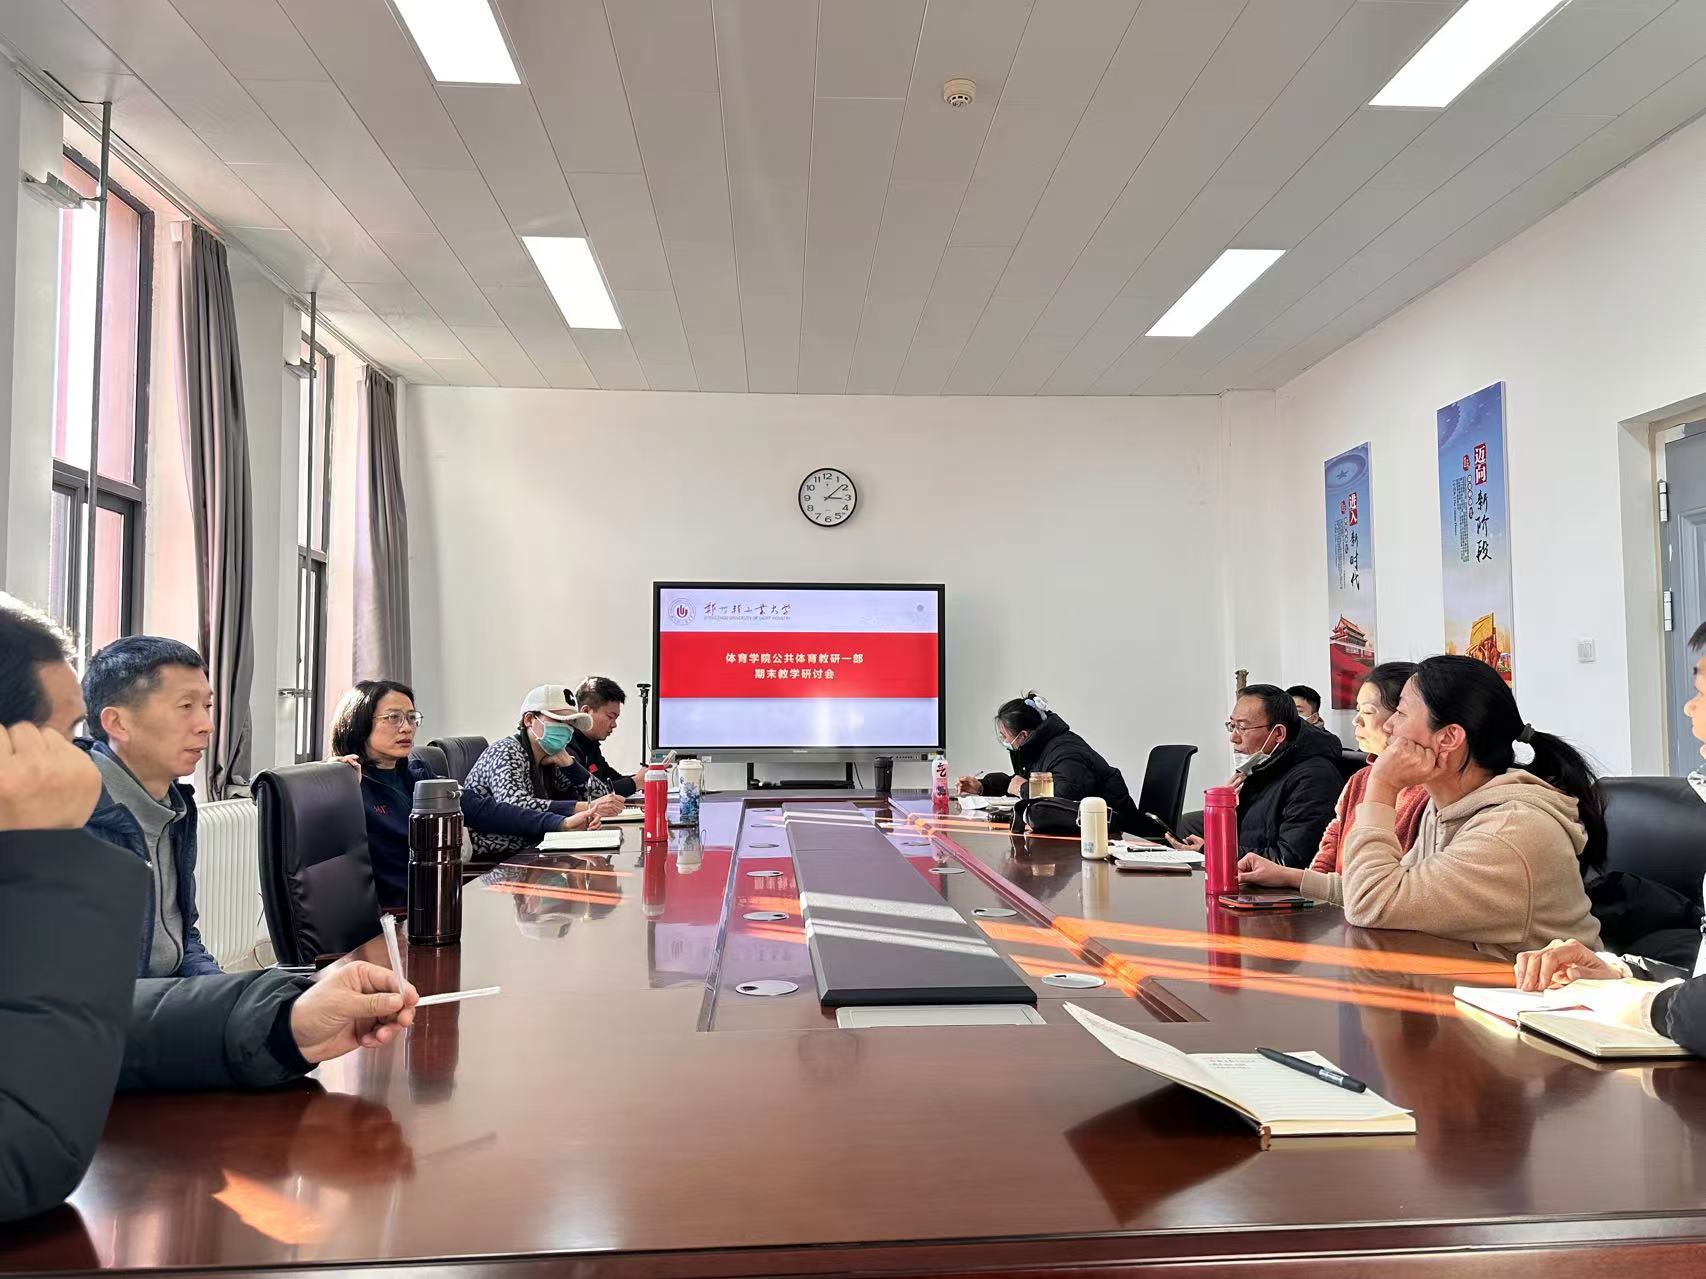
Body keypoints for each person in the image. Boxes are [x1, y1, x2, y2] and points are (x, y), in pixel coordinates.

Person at [0, 597, 418, 1222]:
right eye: (62, 737)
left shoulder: (175, 805)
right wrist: (51, 851)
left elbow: (109, 1012)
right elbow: (26, 1160)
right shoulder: (61, 837)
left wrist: (283, 1019)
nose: (76, 760)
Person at [1511, 620, 1706, 1051]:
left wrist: (1637, 1004)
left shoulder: (1514, 818)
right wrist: (1622, 973)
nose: (1689, 709)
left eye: (1702, 693)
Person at [1333, 654, 1602, 960]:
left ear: (1448, 738)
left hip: (1541, 990)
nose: (1389, 725)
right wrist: (1297, 880)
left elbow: (1371, 903)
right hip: (1472, 981)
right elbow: (1395, 885)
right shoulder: (1447, 807)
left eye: (1401, 712)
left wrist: (1381, 786)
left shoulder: (1510, 831)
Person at [329, 680, 604, 907]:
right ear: (359, 722)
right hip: (400, 918)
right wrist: (332, 786)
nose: (407, 727)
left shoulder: (418, 774)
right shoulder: (350, 782)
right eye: (393, 718)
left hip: (443, 903)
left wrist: (561, 822)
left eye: (411, 718)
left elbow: (483, 810)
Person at [79, 636, 224, 977]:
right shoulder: (73, 820)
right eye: (185, 706)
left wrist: (229, 992)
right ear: (118, 723)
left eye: (206, 706)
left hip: (161, 999)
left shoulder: (174, 808)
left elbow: (181, 943)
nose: (206, 726)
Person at [1238, 662, 1428, 899]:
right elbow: (1328, 853)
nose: (1356, 721)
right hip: (1339, 904)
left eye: (1368, 712)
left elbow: (1386, 891)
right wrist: (1309, 893)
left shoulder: (1426, 792)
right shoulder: (1359, 779)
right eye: (1357, 710)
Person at [1174, 684, 1344, 868]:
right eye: (1232, 726)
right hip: (1245, 868)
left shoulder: (1314, 779)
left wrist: (1212, 851)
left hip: (1271, 883)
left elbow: (1290, 859)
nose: (1233, 738)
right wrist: (1224, 808)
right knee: (1183, 825)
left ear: (1278, 733)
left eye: (1242, 727)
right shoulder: (1265, 764)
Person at [463, 685, 627, 860]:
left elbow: (602, 798)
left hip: (535, 851)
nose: (566, 730)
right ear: (529, 719)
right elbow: (514, 807)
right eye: (559, 721)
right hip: (496, 858)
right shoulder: (506, 751)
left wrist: (569, 763)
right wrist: (581, 808)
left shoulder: (551, 757)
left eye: (570, 724)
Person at [954, 694, 1144, 836]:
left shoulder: (1066, 751)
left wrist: (1023, 789)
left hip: (1119, 835)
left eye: (1005, 736)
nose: (1004, 741)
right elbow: (1019, 782)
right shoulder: (1040, 748)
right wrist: (983, 786)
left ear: (1023, 735)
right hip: (1090, 832)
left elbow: (1065, 796)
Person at [570, 675, 645, 800]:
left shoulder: (590, 744)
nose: (614, 725)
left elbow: (612, 779)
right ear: (586, 712)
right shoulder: (567, 745)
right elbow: (587, 794)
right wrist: (636, 782)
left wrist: (645, 777)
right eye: (610, 717)